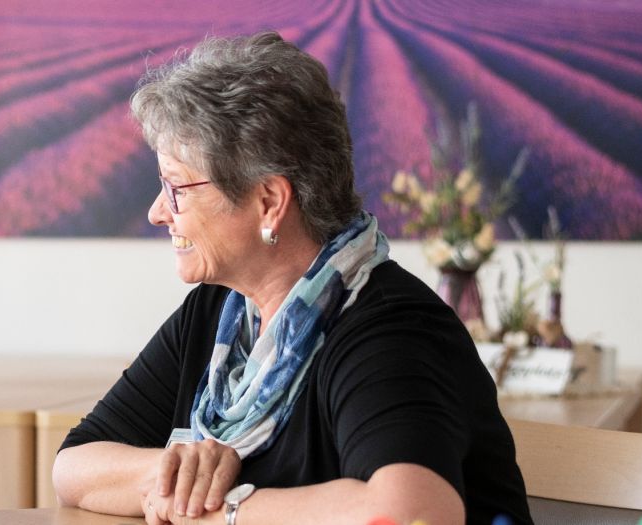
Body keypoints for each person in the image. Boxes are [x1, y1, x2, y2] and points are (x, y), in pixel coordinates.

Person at [52, 32, 532, 525]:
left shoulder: (388, 330)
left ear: (269, 202)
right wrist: (176, 473)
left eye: (177, 188)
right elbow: (73, 467)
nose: (158, 213)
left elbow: (414, 513)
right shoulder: (220, 312)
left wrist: (224, 511)